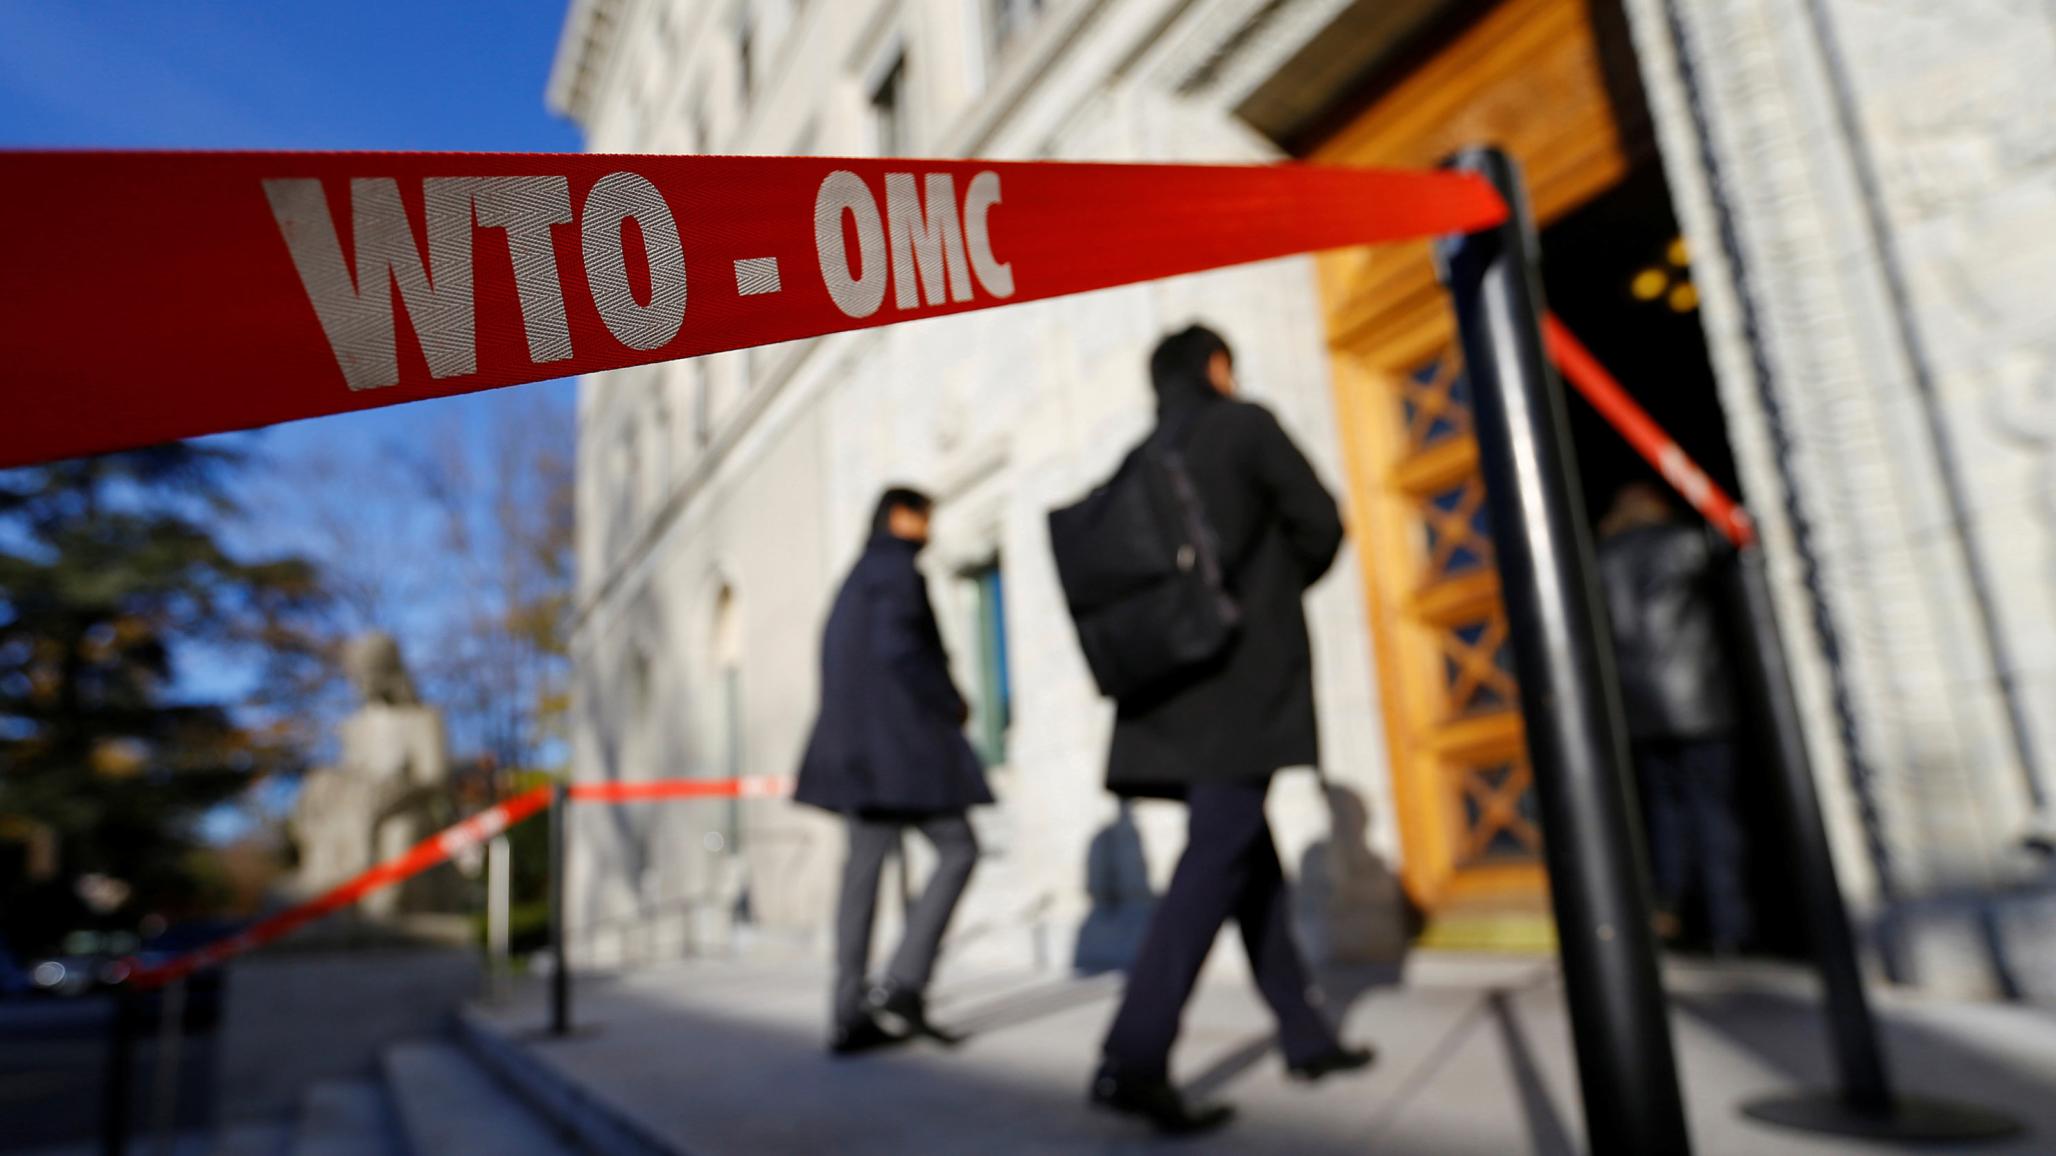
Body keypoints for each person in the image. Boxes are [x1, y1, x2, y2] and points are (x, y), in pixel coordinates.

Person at [1090, 325, 1373, 1135]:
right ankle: (1133, 1056)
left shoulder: (1139, 459)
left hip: (1168, 690)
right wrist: (1273, 591)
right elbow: (1319, 524)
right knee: (1222, 848)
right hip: (1242, 677)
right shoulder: (1244, 425)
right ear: (1216, 368)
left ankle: (1306, 1035)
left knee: (1245, 853)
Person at [793, 487, 992, 1055]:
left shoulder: (854, 579)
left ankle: (847, 1012)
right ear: (900, 518)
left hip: (859, 754)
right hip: (900, 751)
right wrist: (949, 698)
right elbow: (900, 648)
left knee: (862, 874)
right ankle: (904, 983)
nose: (930, 529)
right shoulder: (897, 570)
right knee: (959, 848)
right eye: (925, 517)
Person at [1596, 481, 1753, 954]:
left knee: (1666, 816)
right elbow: (1732, 543)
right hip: (1698, 705)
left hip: (1641, 711)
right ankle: (1730, 927)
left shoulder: (1602, 559)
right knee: (1714, 813)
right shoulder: (1680, 543)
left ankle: (1671, 914)